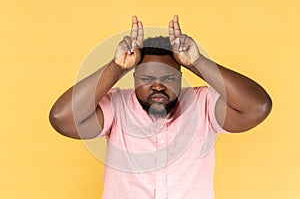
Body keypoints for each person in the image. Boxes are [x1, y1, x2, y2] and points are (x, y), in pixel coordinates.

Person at [49, 15, 272, 199]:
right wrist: (117, 67)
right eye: (147, 78)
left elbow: (257, 107)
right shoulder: (116, 106)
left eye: (169, 77)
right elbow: (61, 118)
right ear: (134, 77)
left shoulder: (202, 104)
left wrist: (196, 62)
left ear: (181, 78)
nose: (158, 86)